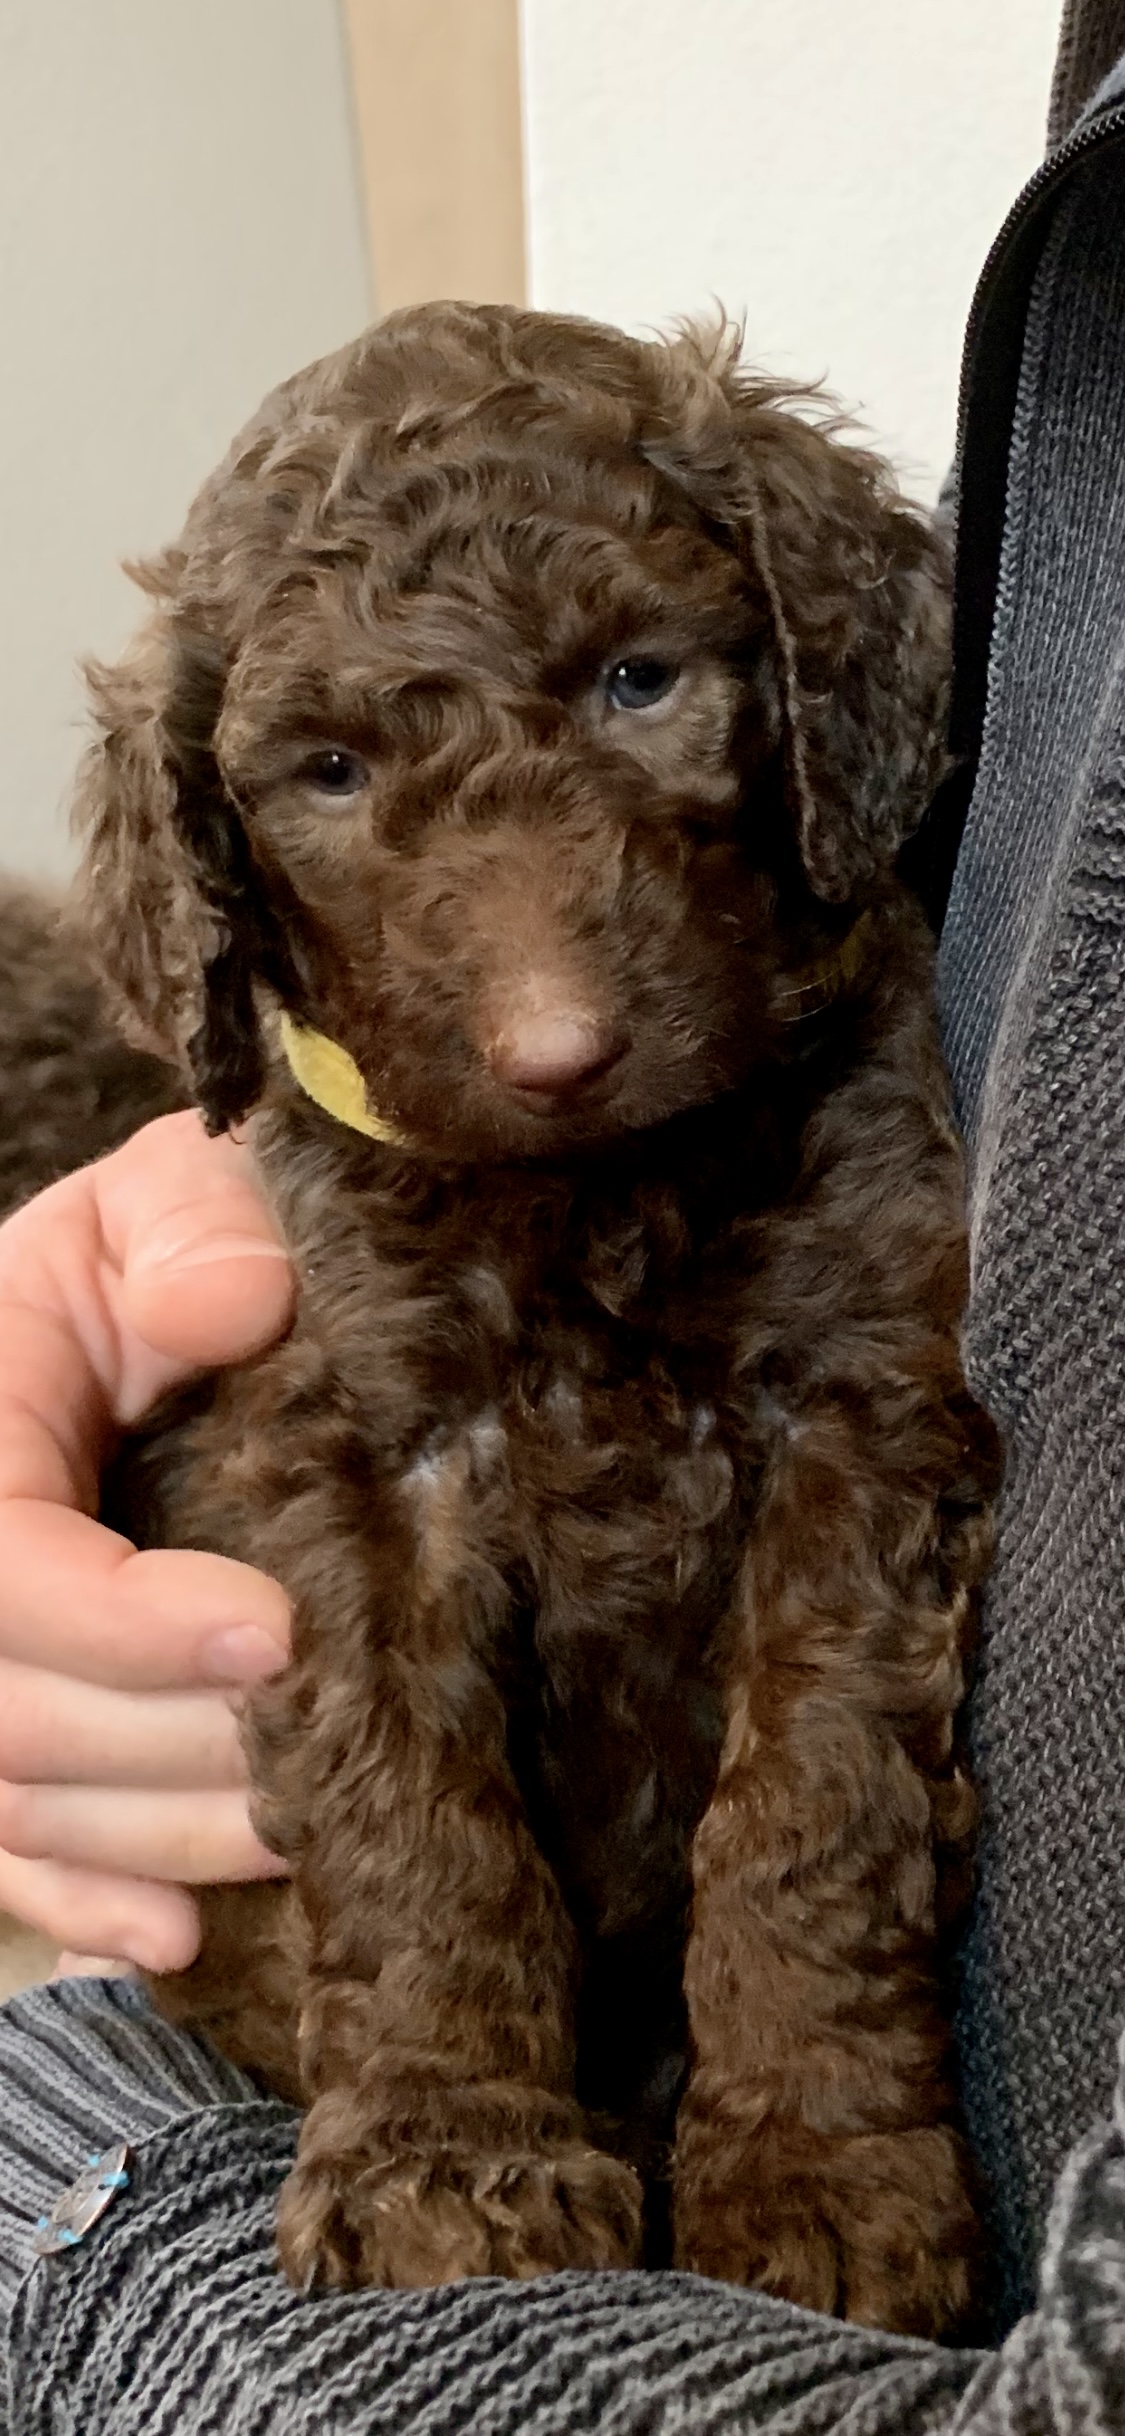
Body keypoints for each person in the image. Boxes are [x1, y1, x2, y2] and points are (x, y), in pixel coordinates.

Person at [3, 3, 1125, 2424]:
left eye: (636, 680)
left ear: (812, 677)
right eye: (328, 769)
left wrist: (811, 2086)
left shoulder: (841, 1073)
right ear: (222, 863)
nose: (542, 1014)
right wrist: (437, 2104)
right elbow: (329, 1585)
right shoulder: (306, 1166)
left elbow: (878, 1485)